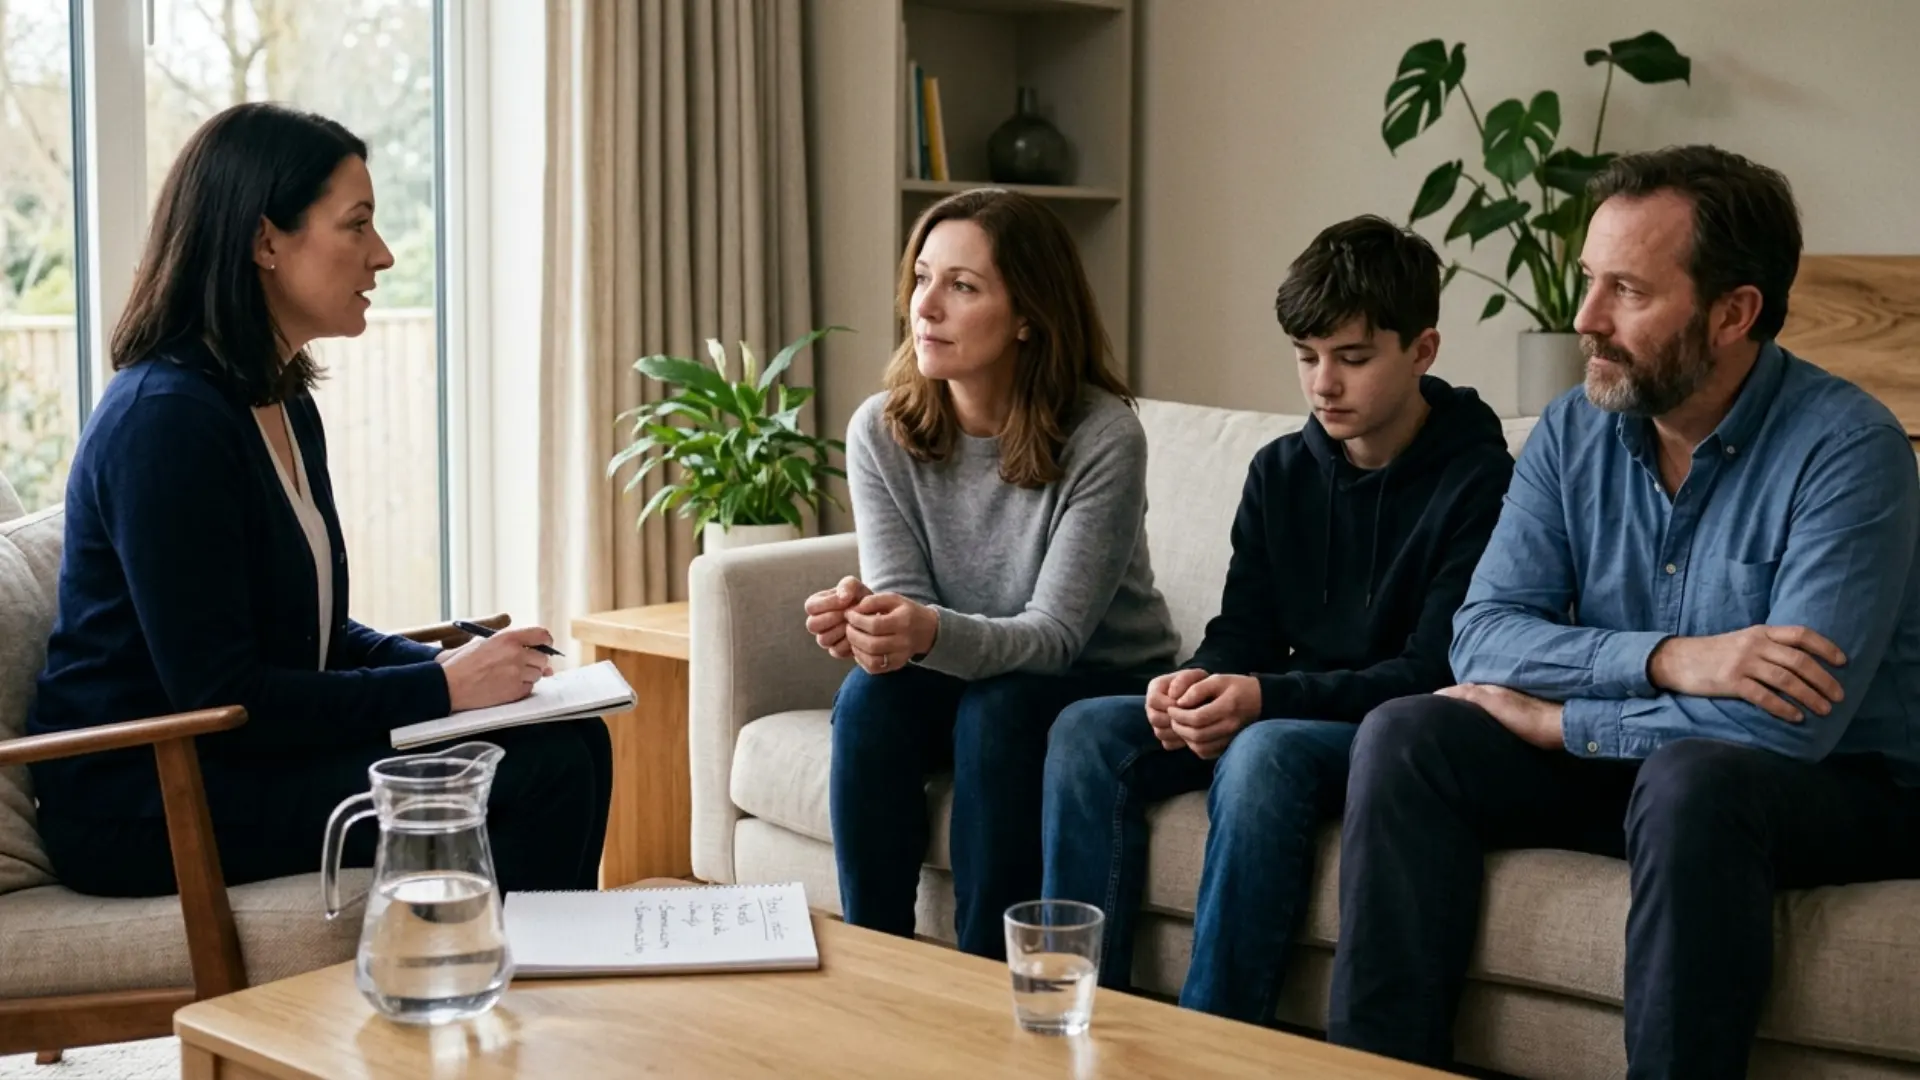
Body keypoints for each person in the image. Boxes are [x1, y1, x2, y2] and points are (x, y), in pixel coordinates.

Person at [1327, 145, 1920, 1078]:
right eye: (1590, 280)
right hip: (1654, 762)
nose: (1586, 319)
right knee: (1409, 735)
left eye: (1629, 292)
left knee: (1696, 781)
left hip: (1835, 786)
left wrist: (1562, 721)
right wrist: (1673, 658)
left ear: (1734, 313)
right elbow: (1482, 633)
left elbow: (1791, 726)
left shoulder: (1850, 451)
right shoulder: (1576, 427)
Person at [27, 103, 612, 897]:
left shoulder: (280, 398)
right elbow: (223, 693)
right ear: (266, 240)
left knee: (573, 736)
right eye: (358, 225)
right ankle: (500, 989)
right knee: (541, 768)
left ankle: (532, 982)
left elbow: (315, 638)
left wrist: (455, 668)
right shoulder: (164, 421)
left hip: (238, 758)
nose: (384, 256)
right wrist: (442, 688)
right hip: (151, 798)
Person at [1037, 215, 1515, 1023]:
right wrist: (1194, 680)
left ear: (1423, 351)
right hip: (1283, 703)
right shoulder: (1281, 470)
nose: (1323, 384)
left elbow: (1435, 673)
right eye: (1306, 357)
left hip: (1382, 728)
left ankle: (1212, 1042)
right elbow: (1243, 629)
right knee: (1086, 729)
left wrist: (1262, 697)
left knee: (1264, 752)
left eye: (1352, 359)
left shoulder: (1481, 480)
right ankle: (1083, 1020)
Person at [804, 188, 1180, 959]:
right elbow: (907, 605)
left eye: (962, 286)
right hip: (966, 668)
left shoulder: (1103, 434)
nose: (926, 306)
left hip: (1094, 675)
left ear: (1028, 316)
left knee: (1001, 713)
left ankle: (981, 983)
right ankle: (877, 963)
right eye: (921, 277)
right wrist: (873, 626)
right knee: (869, 695)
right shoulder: (881, 428)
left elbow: (1055, 637)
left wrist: (923, 630)